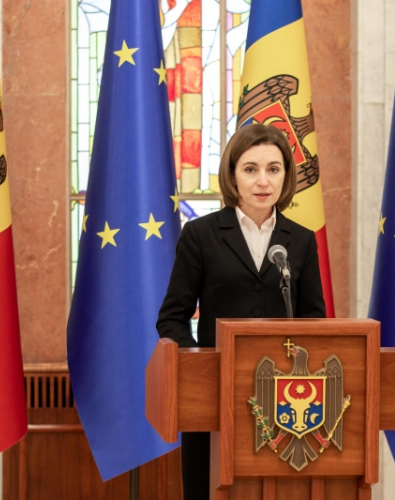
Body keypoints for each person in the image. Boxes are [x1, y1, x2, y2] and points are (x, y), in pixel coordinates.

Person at [156, 123, 326, 499]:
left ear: (286, 176)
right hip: (214, 396)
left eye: (273, 169)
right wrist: (203, 366)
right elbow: (171, 318)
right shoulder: (200, 235)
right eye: (251, 169)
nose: (263, 180)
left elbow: (315, 321)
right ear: (233, 176)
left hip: (284, 403)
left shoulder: (301, 240)